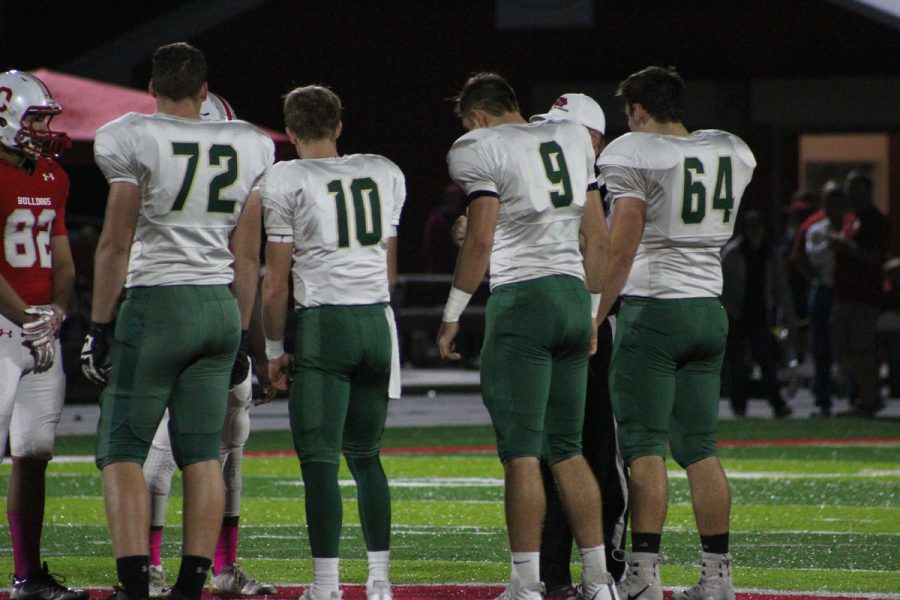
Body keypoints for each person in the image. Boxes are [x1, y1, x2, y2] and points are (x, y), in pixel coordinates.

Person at [81, 42, 274, 600]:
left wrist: (97, 326)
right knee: (202, 452)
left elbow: (115, 244)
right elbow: (248, 256)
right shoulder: (249, 143)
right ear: (205, 90)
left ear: (152, 89)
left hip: (158, 304)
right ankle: (194, 583)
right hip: (217, 306)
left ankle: (135, 583)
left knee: (122, 451)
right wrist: (240, 331)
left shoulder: (131, 134)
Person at [437, 72, 617, 600]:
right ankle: (599, 580)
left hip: (523, 300)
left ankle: (525, 582)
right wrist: (588, 313)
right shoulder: (568, 137)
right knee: (568, 448)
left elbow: (483, 237)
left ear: (476, 117)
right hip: (569, 296)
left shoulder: (479, 145)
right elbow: (598, 240)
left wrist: (452, 313)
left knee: (521, 453)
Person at [596, 66, 756, 600]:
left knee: (643, 450)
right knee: (701, 449)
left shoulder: (631, 152)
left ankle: (643, 574)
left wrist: (594, 317)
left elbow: (623, 246)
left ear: (638, 111)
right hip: (709, 310)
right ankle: (717, 577)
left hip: (655, 310)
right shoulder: (728, 149)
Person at [261, 84, 405, 600]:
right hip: (377, 322)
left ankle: (326, 586)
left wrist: (274, 351)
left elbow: (275, 283)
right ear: (339, 126)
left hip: (327, 324)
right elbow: (388, 272)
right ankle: (380, 582)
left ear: (291, 131)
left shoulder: (285, 177)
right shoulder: (383, 170)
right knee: (367, 456)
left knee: (319, 460)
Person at [139, 92, 276, 598]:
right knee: (174, 447)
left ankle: (218, 565)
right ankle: (155, 566)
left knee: (228, 445)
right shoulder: (226, 167)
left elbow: (250, 264)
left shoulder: (159, 169)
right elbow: (250, 265)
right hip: (208, 313)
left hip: (202, 314)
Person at [529, 94, 628, 598]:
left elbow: (611, 254)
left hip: (598, 324)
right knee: (552, 452)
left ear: (594, 138)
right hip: (559, 322)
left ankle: (608, 567)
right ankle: (554, 574)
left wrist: (594, 316)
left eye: (565, 129)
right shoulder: (554, 176)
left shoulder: (611, 181)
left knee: (598, 452)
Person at [0, 69, 87, 600]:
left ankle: (28, 575)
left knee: (34, 451)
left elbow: (65, 262)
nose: (41, 129)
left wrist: (56, 309)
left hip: (38, 330)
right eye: (33, 118)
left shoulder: (53, 175)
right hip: (5, 326)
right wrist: (27, 316)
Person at [720, 209, 794, 417]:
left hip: (760, 313)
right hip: (738, 314)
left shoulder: (770, 254)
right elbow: (721, 285)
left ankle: (777, 403)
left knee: (766, 360)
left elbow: (780, 286)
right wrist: (728, 306)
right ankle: (739, 405)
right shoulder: (733, 253)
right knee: (737, 363)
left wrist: (786, 314)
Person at [830, 171, 891, 417]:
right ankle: (866, 395)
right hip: (844, 294)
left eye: (856, 188)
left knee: (862, 348)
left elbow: (876, 257)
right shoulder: (850, 219)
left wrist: (847, 247)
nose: (851, 193)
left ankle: (870, 399)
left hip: (863, 296)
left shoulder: (874, 220)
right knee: (843, 347)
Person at [802, 183, 849, 417]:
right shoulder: (817, 229)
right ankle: (823, 398)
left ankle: (853, 394)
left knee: (849, 344)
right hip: (825, 290)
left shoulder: (852, 228)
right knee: (821, 346)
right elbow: (813, 257)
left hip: (848, 292)